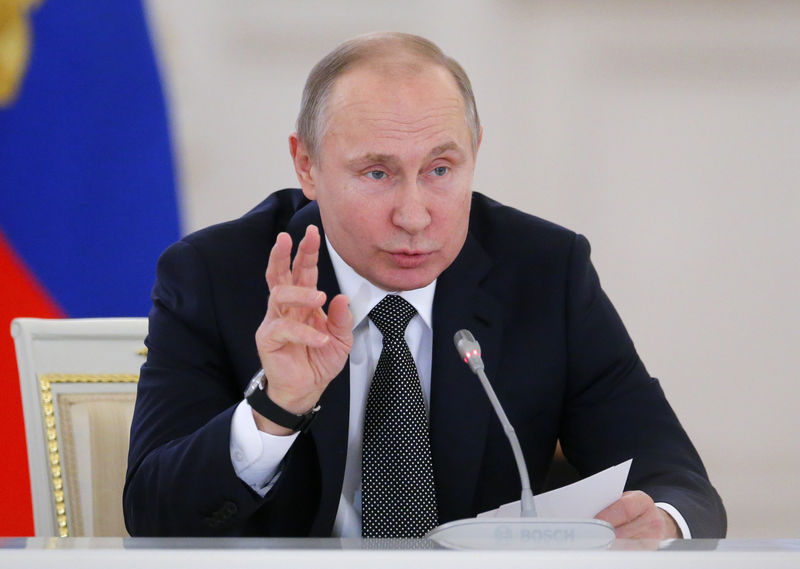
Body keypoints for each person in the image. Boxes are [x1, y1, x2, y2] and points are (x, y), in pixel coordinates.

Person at [124, 32, 726, 539]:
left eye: (440, 170)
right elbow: (153, 516)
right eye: (377, 172)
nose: (414, 216)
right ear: (306, 165)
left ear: (475, 152)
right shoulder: (213, 274)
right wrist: (275, 408)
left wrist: (662, 524)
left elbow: (676, 478)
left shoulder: (545, 270)